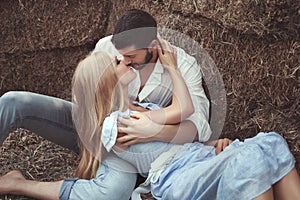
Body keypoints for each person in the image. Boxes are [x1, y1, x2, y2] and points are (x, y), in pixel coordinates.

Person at [0, 9, 212, 199]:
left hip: (132, 150)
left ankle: (18, 184)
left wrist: (152, 132)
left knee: (115, 192)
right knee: (14, 102)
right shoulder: (107, 46)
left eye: (130, 56)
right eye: (119, 57)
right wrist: (105, 120)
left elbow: (198, 127)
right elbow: (84, 98)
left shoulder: (184, 65)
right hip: (94, 127)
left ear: (152, 46)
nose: (125, 61)